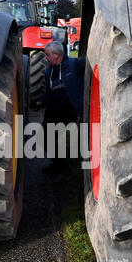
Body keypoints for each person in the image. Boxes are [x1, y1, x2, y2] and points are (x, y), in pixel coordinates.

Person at [33, 41, 85, 177]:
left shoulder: (76, 65)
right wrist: (41, 101)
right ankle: (58, 164)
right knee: (42, 138)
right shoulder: (48, 71)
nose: (46, 58)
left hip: (70, 113)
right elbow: (49, 92)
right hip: (54, 112)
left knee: (56, 139)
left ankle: (63, 169)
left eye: (48, 55)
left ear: (56, 55)